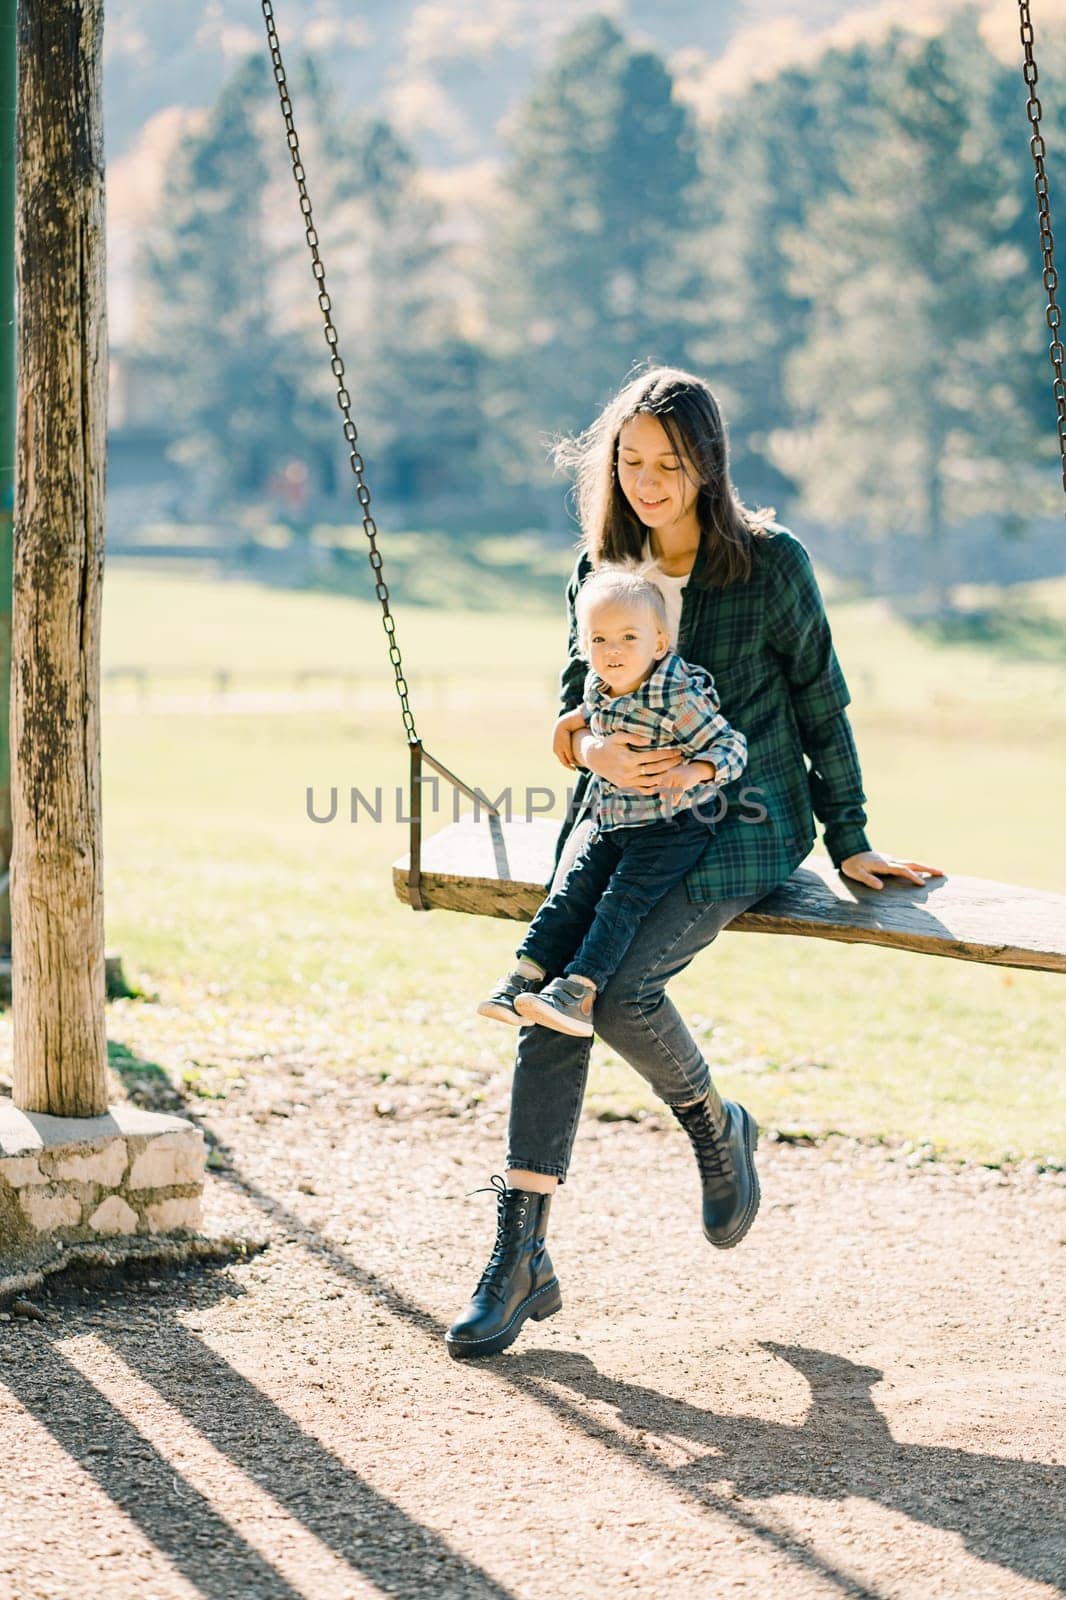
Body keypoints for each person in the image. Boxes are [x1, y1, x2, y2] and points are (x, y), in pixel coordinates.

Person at [445, 365, 943, 1362]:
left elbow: (820, 703)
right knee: (551, 990)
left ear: (706, 465)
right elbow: (570, 702)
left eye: (666, 464)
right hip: (619, 811)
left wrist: (848, 837)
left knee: (621, 993)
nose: (645, 481)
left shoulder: (769, 563)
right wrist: (587, 747)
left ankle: (719, 1130)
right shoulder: (600, 565)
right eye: (629, 461)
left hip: (741, 817)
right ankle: (519, 1252)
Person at [477, 563, 749, 1038]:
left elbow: (732, 747)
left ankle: (578, 991)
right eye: (599, 640)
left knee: (618, 904)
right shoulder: (597, 685)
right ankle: (524, 976)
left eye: (628, 637)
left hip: (672, 827)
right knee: (569, 896)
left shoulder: (677, 698)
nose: (613, 651)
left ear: (658, 644)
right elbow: (598, 708)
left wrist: (694, 770)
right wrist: (571, 723)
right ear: (584, 646)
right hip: (613, 821)